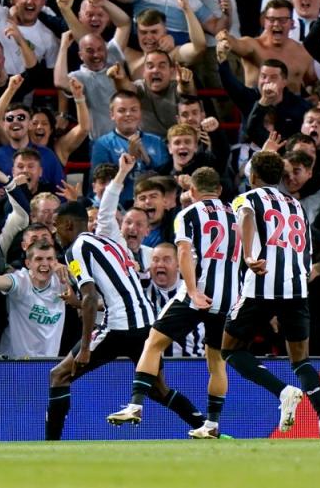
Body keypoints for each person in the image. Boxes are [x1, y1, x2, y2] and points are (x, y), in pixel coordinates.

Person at [45, 153, 204, 440]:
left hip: (119, 326)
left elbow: (92, 297)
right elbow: (114, 289)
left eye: (56, 227)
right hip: (146, 323)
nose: (55, 234)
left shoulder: (75, 250)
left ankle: (50, 444)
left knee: (59, 375)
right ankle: (205, 425)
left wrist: (84, 347)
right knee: (159, 389)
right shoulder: (110, 242)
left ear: (68, 225)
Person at [107, 166, 239, 439]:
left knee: (154, 341)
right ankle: (212, 425)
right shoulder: (236, 216)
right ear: (220, 190)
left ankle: (135, 404)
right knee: (216, 361)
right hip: (228, 297)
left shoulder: (188, 214)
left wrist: (191, 290)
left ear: (191, 190)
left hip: (197, 292)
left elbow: (184, 251)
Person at [221, 151, 320, 441]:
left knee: (230, 350)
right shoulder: (296, 206)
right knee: (301, 360)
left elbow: (247, 217)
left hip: (260, 284)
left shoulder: (247, 199)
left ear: (252, 177)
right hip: (296, 289)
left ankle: (283, 391)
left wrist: (249, 255)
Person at [0, 243, 71, 358]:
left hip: (48, 360)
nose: (45, 263)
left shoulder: (61, 281)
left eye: (49, 259)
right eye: (39, 259)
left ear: (56, 262)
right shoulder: (21, 281)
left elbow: (88, 286)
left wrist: (70, 272)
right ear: (28, 263)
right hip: (14, 360)